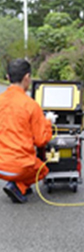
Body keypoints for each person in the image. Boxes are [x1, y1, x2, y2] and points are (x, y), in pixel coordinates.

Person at [0, 59, 56, 203]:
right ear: (26, 77)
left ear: (8, 77)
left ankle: (18, 184)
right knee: (43, 169)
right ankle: (18, 185)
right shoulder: (31, 105)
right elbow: (41, 140)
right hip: (18, 167)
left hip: (1, 166)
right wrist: (48, 123)